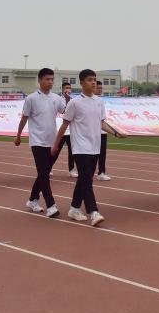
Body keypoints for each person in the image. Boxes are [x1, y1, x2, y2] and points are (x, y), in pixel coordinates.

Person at [51, 69, 121, 226]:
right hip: (80, 148)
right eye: (90, 80)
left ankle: (74, 208)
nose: (93, 82)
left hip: (95, 146)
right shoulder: (74, 103)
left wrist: (116, 133)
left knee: (85, 179)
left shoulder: (99, 102)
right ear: (81, 82)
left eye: (94, 79)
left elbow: (102, 123)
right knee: (87, 181)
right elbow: (64, 125)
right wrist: (56, 145)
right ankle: (93, 212)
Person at [15, 68, 65, 218]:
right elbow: (24, 118)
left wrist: (69, 100)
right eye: (47, 79)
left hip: (53, 141)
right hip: (37, 141)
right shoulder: (31, 99)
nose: (50, 82)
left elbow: (67, 112)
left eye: (52, 79)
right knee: (44, 174)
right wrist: (18, 136)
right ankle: (51, 206)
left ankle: (32, 199)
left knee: (43, 173)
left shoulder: (57, 98)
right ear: (40, 80)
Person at [93, 79, 111, 181]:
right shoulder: (91, 100)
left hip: (103, 131)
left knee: (102, 153)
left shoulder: (101, 101)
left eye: (101, 88)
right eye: (97, 88)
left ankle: (101, 172)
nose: (99, 90)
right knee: (93, 154)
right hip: (93, 132)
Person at [59, 81, 76, 177]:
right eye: (66, 88)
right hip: (60, 130)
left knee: (72, 151)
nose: (68, 90)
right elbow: (63, 111)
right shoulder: (58, 100)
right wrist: (67, 99)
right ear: (62, 89)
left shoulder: (73, 101)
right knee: (56, 150)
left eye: (69, 88)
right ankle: (49, 167)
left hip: (71, 131)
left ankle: (71, 169)